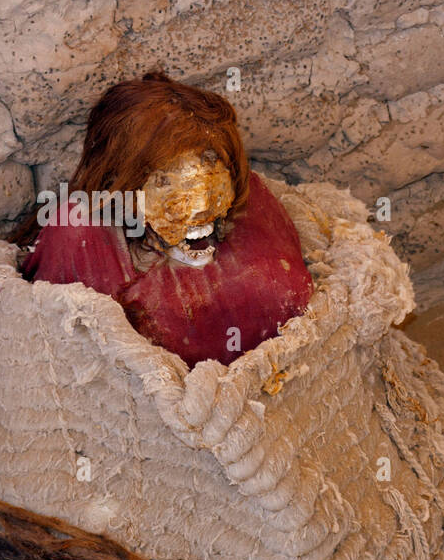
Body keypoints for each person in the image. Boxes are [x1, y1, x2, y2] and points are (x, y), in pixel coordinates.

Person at [24, 71, 313, 366]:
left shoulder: (249, 200)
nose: (201, 206)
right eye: (165, 182)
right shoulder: (81, 230)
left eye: (212, 171)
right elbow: (80, 367)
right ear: (119, 183)